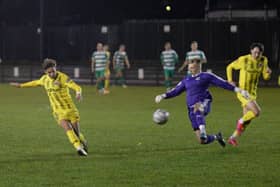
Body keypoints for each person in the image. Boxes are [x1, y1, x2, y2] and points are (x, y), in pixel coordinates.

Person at [155, 59, 249, 147]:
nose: (191, 69)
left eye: (193, 67)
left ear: (199, 67)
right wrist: (163, 96)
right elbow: (175, 91)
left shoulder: (206, 76)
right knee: (202, 141)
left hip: (204, 103)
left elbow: (223, 83)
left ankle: (203, 131)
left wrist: (240, 91)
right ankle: (217, 137)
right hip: (191, 110)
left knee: (197, 107)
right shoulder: (186, 80)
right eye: (190, 67)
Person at [10, 58, 88, 156]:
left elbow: (76, 86)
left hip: (70, 109)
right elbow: (34, 83)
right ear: (45, 72)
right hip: (58, 111)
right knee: (67, 128)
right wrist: (20, 85)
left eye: (53, 71)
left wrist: (78, 92)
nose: (51, 74)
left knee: (77, 133)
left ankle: (83, 142)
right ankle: (78, 147)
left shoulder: (63, 77)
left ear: (56, 68)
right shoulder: (44, 79)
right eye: (49, 72)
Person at [226, 42, 272, 146]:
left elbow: (265, 77)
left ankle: (232, 138)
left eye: (259, 53)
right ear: (251, 51)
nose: (256, 55)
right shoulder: (244, 59)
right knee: (257, 112)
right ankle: (240, 120)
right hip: (243, 92)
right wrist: (230, 80)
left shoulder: (263, 60)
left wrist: (268, 74)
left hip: (253, 93)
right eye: (255, 52)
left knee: (247, 121)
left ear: (261, 53)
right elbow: (229, 67)